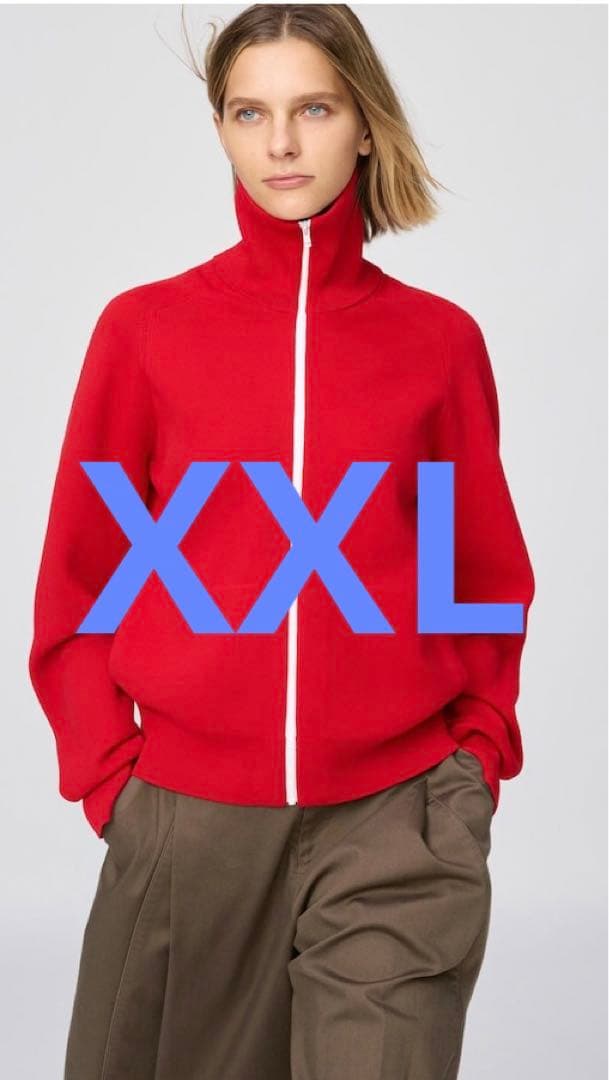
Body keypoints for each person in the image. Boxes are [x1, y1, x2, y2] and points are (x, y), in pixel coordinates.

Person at [27, 5, 536, 1078]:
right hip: (189, 831)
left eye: (314, 108)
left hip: (395, 823)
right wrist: (113, 782)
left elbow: (477, 576)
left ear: (365, 124)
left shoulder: (438, 345)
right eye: (249, 113)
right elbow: (83, 578)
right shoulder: (145, 333)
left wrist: (469, 769)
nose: (282, 142)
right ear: (220, 130)